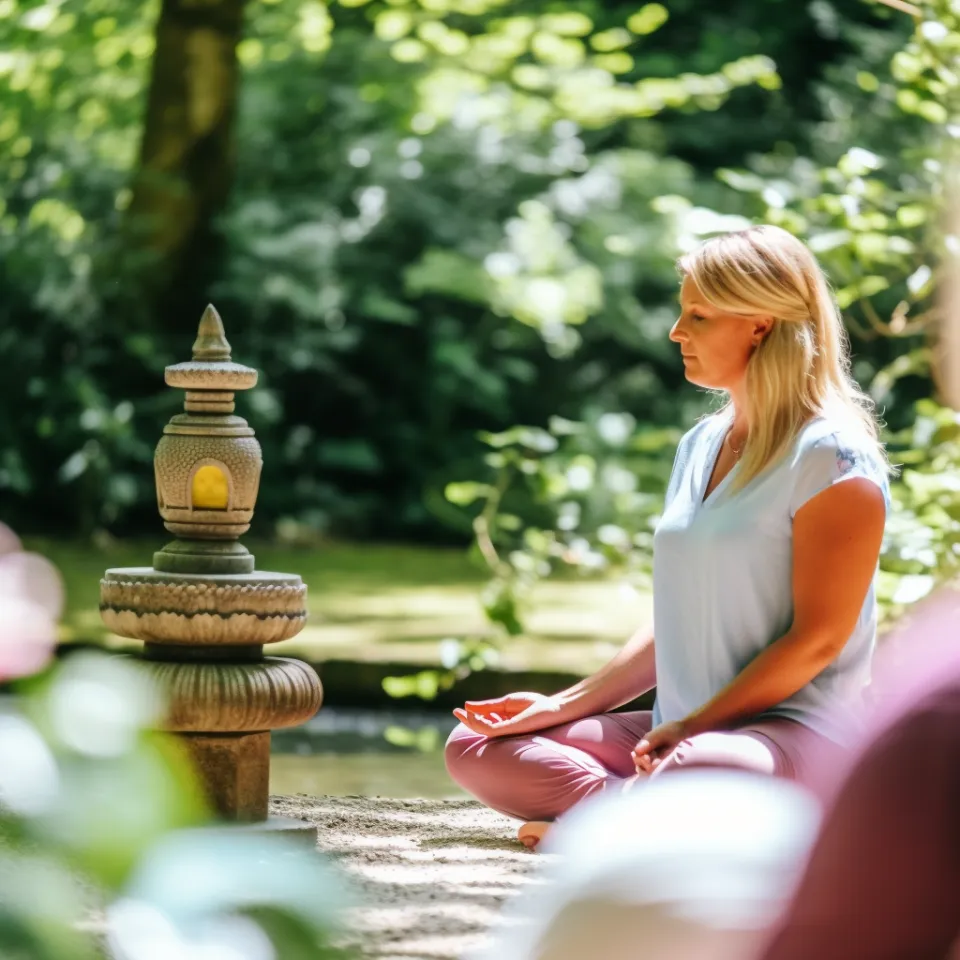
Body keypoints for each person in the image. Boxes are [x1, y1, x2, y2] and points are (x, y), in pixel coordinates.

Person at [444, 224, 892, 849]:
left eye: (698, 316)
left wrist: (694, 729)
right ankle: (645, 822)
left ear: (759, 324)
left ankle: (626, 822)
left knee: (698, 767)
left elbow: (816, 642)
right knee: (479, 744)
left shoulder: (832, 459)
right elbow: (675, 619)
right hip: (680, 728)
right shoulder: (701, 443)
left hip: (791, 733)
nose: (677, 333)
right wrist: (563, 706)